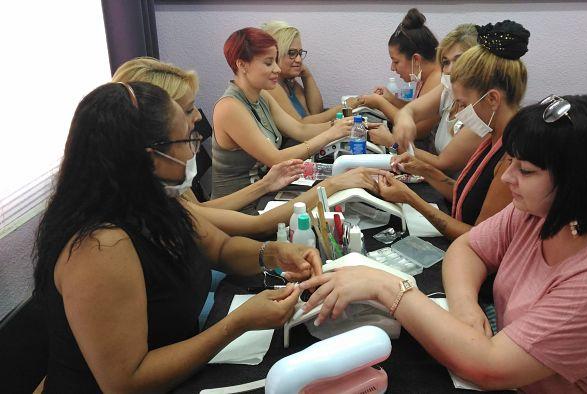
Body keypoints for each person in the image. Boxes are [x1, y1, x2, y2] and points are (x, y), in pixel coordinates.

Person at [301, 95, 587, 392]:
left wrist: (386, 286)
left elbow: (490, 367)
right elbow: (469, 248)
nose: (507, 179)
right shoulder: (544, 209)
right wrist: (467, 310)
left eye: (526, 170)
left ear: (579, 181)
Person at [34, 82, 322, 392]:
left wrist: (271, 253)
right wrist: (239, 322)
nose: (195, 149)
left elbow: (221, 248)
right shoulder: (101, 247)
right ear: (151, 157)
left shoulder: (157, 199)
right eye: (189, 139)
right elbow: (126, 383)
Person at [112, 57, 380, 238]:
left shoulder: (166, 183)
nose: (197, 117)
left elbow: (206, 213)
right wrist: (333, 185)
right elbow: (254, 225)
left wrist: (265, 185)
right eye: (188, 109)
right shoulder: (230, 107)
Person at [378, 21, 529, 241]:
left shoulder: (512, 157)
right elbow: (465, 193)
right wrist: (425, 170)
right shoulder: (491, 135)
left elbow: (479, 237)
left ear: (493, 99)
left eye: (462, 103)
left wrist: (411, 199)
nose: (458, 111)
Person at [213, 27, 353, 213]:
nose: (277, 69)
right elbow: (275, 159)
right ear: (242, 65)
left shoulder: (261, 95)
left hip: (266, 193)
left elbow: (299, 130)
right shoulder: (229, 107)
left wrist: (339, 126)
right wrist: (330, 134)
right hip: (239, 208)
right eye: (269, 63)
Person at [370, 23, 484, 176]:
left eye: (459, 60)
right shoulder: (448, 87)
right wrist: (404, 116)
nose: (449, 69)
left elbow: (442, 163)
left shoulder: (481, 114)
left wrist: (392, 141)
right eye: (445, 62)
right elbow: (410, 110)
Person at [359, 8, 441, 151]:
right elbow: (414, 113)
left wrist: (380, 103)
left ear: (416, 59)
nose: (392, 68)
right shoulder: (425, 77)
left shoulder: (438, 81)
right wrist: (391, 99)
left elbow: (416, 130)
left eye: (396, 62)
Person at [261, 20, 360, 123]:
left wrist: (307, 76)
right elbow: (301, 125)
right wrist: (345, 107)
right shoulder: (271, 87)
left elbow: (316, 113)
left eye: (300, 53)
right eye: (292, 53)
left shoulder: (290, 83)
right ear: (275, 54)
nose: (299, 59)